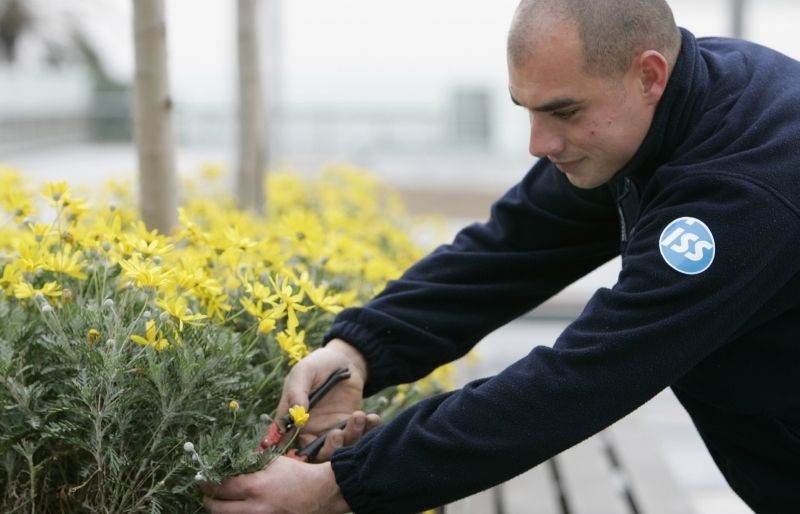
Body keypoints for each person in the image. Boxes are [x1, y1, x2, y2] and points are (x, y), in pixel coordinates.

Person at [203, 0, 800, 512]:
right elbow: (510, 246)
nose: (539, 144)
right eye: (528, 110)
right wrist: (357, 352)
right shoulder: (667, 105)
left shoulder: (743, 187)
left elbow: (587, 376)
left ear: (649, 75)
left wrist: (341, 486)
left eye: (563, 112)